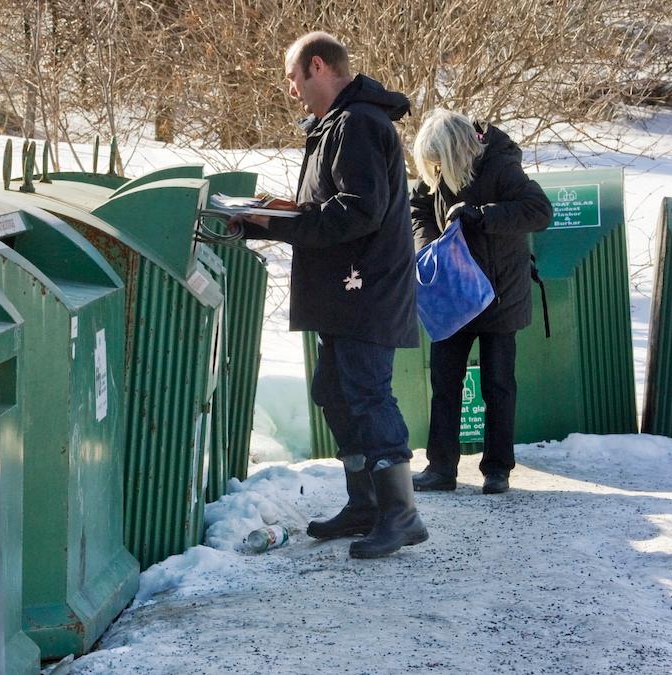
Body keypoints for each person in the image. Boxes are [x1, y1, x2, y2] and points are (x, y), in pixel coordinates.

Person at [235, 32, 426, 558]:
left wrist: (280, 225)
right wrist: (278, 213)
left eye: (294, 79)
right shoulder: (337, 126)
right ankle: (364, 504)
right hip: (347, 290)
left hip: (365, 289)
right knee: (334, 392)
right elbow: (334, 203)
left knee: (368, 395)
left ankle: (401, 514)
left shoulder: (360, 123)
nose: (292, 91)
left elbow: (359, 210)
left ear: (318, 66)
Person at [408, 110, 552, 495]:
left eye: (439, 159)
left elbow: (540, 211)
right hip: (453, 295)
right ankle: (440, 468)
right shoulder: (437, 173)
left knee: (498, 384)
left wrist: (483, 216)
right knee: (445, 381)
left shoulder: (502, 168)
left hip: (499, 293)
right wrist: (426, 246)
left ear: (457, 149)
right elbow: (417, 208)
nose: (434, 168)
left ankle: (497, 469)